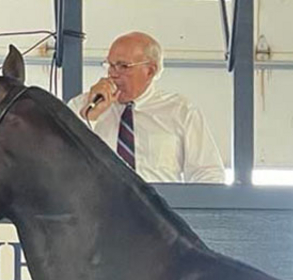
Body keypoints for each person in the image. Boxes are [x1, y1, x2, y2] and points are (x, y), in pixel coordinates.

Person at [68, 31, 225, 183]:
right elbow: (61, 160)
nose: (112, 74)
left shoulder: (180, 111)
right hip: (97, 207)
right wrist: (90, 118)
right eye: (110, 65)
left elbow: (208, 173)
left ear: (150, 71)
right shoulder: (82, 105)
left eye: (123, 66)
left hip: (158, 206)